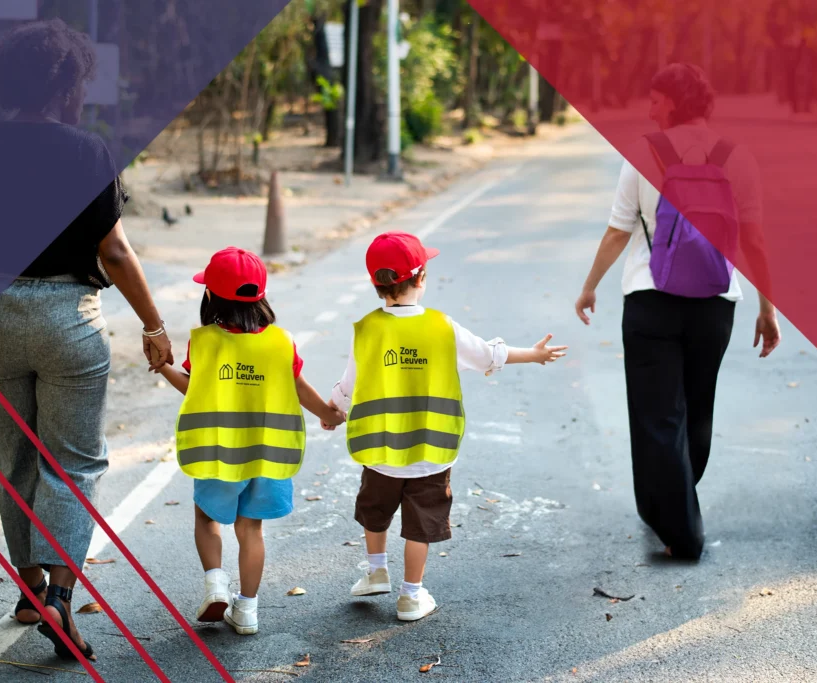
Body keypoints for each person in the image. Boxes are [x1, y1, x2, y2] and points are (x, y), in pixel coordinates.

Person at [0, 19, 172, 661]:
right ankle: (60, 598)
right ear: (65, 86)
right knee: (75, 461)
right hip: (67, 316)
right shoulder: (87, 152)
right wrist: (154, 323)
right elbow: (113, 250)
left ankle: (31, 591)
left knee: (17, 459)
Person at [574, 63, 781, 560]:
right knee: (696, 409)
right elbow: (753, 240)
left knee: (655, 417)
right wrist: (767, 309)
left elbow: (618, 231)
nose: (649, 108)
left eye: (656, 99)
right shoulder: (737, 156)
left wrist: (589, 288)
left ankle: (681, 529)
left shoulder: (645, 152)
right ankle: (670, 507)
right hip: (714, 302)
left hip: (650, 301)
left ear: (675, 101)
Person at [326, 231, 566, 621]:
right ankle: (411, 594)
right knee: (420, 525)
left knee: (375, 509)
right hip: (430, 450)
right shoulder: (442, 326)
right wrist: (534, 355)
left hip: (381, 449)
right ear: (420, 278)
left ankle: (375, 571)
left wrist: (331, 410)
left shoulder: (368, 329)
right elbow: (489, 355)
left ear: (376, 284)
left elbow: (348, 385)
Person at [159, 247, 346, 635]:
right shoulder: (281, 342)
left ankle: (215, 584)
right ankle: (247, 610)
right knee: (251, 530)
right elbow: (299, 388)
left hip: (218, 453)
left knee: (207, 517)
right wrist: (329, 415)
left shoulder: (204, 342)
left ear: (210, 296)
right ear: (261, 296)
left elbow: (192, 390)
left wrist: (162, 366)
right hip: (268, 456)